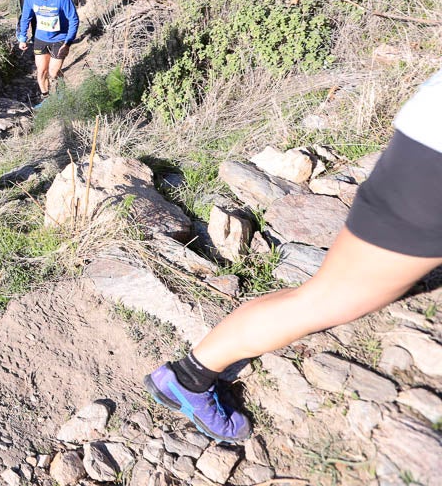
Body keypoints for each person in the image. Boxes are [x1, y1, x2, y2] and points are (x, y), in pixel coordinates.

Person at [146, 68, 442, 443]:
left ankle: (188, 375)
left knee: (326, 294)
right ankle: (188, 378)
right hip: (433, 163)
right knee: (330, 298)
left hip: (429, 136)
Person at [16, 0, 78, 105]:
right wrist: (22, 37)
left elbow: (73, 19)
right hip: (40, 38)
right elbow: (26, 17)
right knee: (41, 71)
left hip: (59, 39)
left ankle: (62, 90)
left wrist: (68, 43)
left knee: (54, 72)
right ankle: (46, 100)